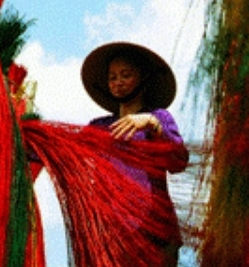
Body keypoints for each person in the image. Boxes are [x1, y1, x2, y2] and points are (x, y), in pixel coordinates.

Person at [81, 41, 189, 267]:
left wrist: (151, 123)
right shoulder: (99, 127)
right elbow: (68, 151)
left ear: (143, 78)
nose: (118, 82)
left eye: (125, 75)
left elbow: (178, 161)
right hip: (110, 231)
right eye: (112, 77)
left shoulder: (159, 118)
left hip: (154, 231)